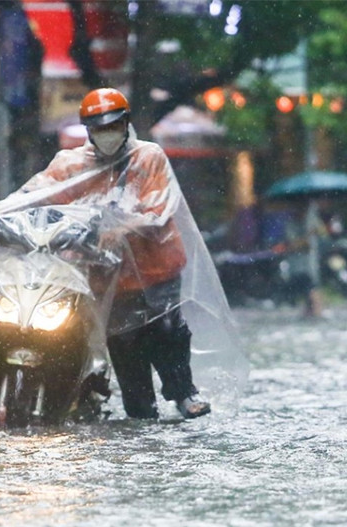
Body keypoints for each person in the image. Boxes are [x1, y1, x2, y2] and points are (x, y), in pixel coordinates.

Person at [20, 88, 209, 419]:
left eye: (113, 126)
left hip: (157, 268)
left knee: (166, 330)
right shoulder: (72, 165)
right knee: (124, 342)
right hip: (108, 275)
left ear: (126, 124)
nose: (107, 134)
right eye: (99, 128)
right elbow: (36, 194)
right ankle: (140, 407)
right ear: (88, 131)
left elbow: (158, 208)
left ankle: (183, 393)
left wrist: (122, 229)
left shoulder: (148, 158)